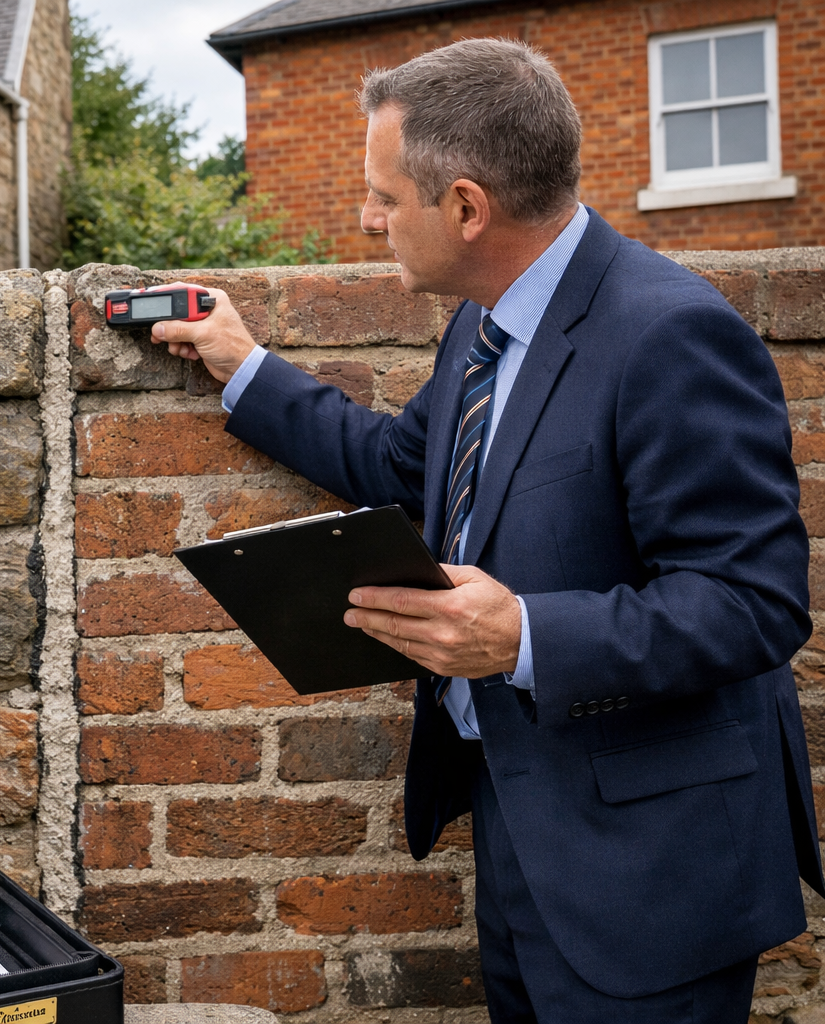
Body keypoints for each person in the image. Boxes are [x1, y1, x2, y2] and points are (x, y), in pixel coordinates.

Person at [150, 37, 823, 1023]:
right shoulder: (483, 318)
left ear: (467, 208)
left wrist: (526, 636)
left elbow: (753, 604)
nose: (368, 218)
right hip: (521, 826)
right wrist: (244, 363)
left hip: (648, 871)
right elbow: (399, 468)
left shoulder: (671, 332)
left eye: (385, 196)